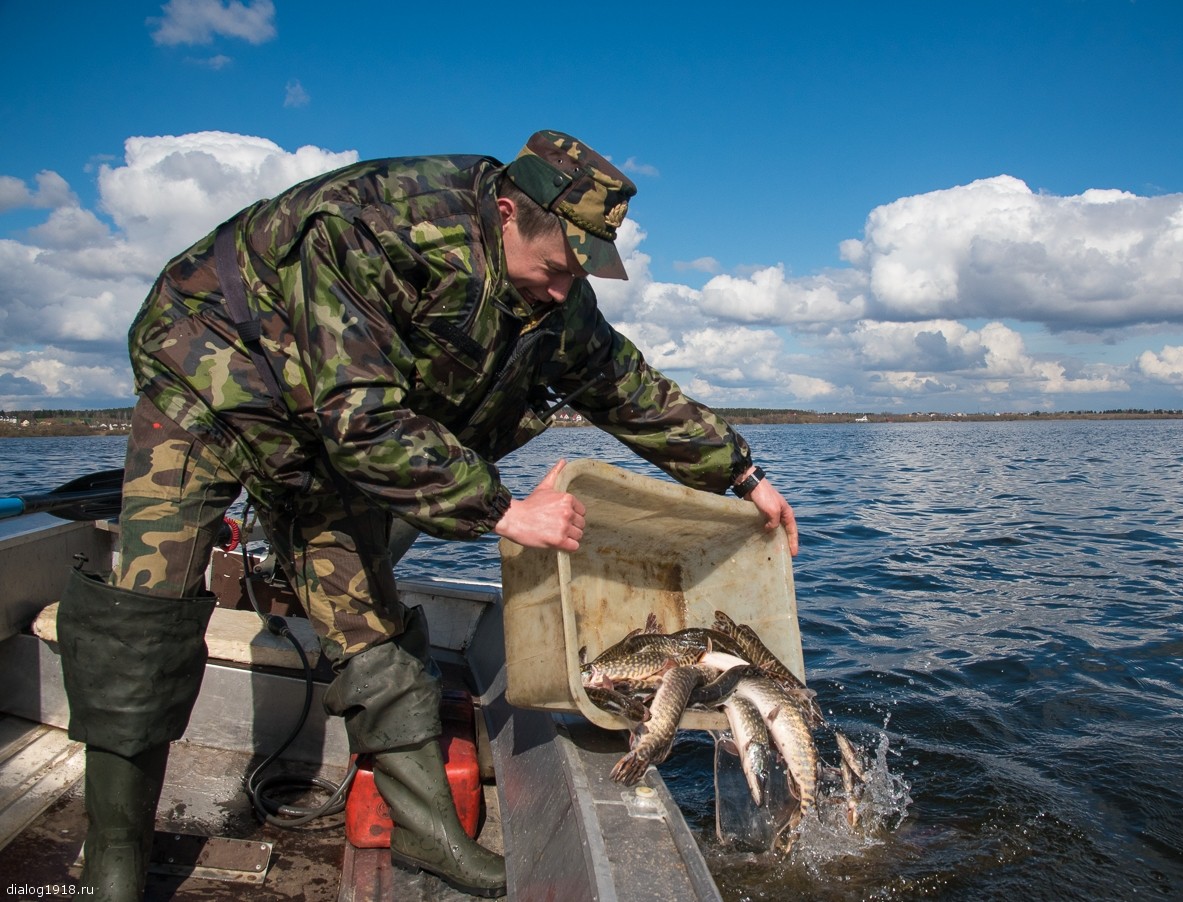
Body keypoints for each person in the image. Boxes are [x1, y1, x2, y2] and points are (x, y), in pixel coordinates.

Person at [55, 130, 798, 899]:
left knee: (372, 626)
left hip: (330, 442)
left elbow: (623, 384)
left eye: (577, 274)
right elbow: (364, 417)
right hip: (211, 391)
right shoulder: (365, 225)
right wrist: (504, 510)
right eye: (553, 269)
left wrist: (743, 475)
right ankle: (115, 849)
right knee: (144, 620)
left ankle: (427, 833)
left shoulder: (554, 297)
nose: (560, 290)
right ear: (507, 212)